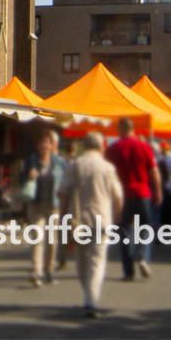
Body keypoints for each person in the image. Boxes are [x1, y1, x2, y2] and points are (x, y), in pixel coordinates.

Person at [58, 133, 123, 320]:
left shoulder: (74, 165)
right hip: (102, 219)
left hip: (79, 220)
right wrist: (118, 216)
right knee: (97, 260)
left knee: (82, 260)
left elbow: (63, 193)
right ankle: (91, 299)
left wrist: (63, 216)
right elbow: (118, 196)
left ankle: (88, 293)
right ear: (101, 146)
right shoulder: (108, 168)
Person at [104, 117, 161, 280]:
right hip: (142, 193)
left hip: (122, 195)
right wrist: (157, 191)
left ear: (121, 130)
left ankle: (128, 271)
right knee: (146, 227)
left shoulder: (113, 149)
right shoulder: (144, 147)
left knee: (123, 231)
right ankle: (142, 255)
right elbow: (154, 171)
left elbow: (108, 174)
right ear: (133, 129)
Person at [19, 129, 67, 287]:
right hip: (36, 203)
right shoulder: (31, 160)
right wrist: (28, 174)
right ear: (37, 145)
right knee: (37, 237)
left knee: (52, 240)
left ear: (52, 145)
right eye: (41, 143)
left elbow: (67, 179)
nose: (44, 145)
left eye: (47, 142)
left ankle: (49, 270)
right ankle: (36, 271)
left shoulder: (59, 162)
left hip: (53, 204)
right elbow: (20, 178)